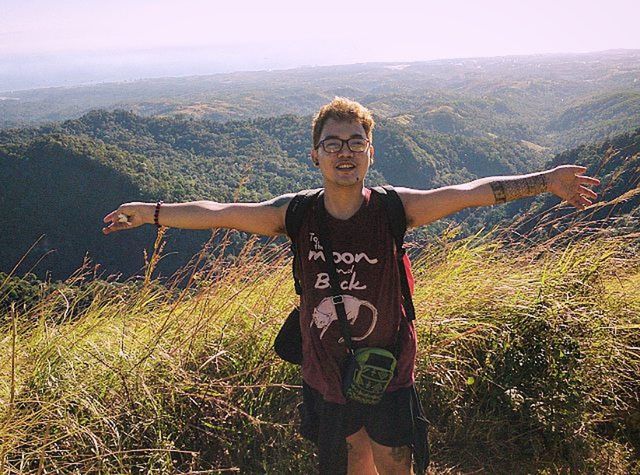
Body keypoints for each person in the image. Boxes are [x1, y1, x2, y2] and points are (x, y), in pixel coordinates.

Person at [102, 97, 600, 474]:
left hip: (388, 364)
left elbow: (469, 194)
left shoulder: (392, 210)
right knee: (349, 454)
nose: (345, 153)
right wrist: (150, 214)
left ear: (370, 151)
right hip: (326, 368)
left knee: (393, 456)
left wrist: (545, 180)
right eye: (333, 144)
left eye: (355, 142)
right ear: (315, 154)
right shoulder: (295, 214)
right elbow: (221, 214)